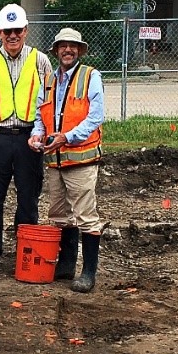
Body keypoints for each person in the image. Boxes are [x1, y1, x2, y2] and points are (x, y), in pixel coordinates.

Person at [0, 3, 53, 271]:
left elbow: (51, 98)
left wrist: (46, 134)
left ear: (26, 31)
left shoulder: (40, 61)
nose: (12, 36)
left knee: (28, 197)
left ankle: (25, 247)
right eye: (7, 31)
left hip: (30, 137)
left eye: (17, 30)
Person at [28, 27, 106, 293]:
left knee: (85, 215)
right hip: (55, 160)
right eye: (63, 46)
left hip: (81, 160)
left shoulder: (90, 76)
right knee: (60, 214)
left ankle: (88, 272)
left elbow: (95, 117)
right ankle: (67, 264)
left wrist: (67, 137)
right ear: (57, 51)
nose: (68, 50)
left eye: (72, 46)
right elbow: (41, 115)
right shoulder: (49, 80)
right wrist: (37, 135)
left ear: (80, 50)